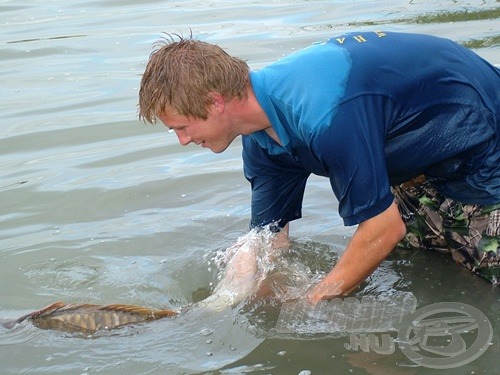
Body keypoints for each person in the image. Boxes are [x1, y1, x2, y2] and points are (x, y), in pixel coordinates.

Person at [138, 31, 500, 303]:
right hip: (427, 158)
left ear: (214, 102)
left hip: (486, 148)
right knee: (414, 268)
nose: (183, 141)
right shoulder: (261, 140)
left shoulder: (324, 114)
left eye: (182, 127)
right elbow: (269, 239)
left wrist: (315, 299)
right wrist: (235, 293)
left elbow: (383, 228)